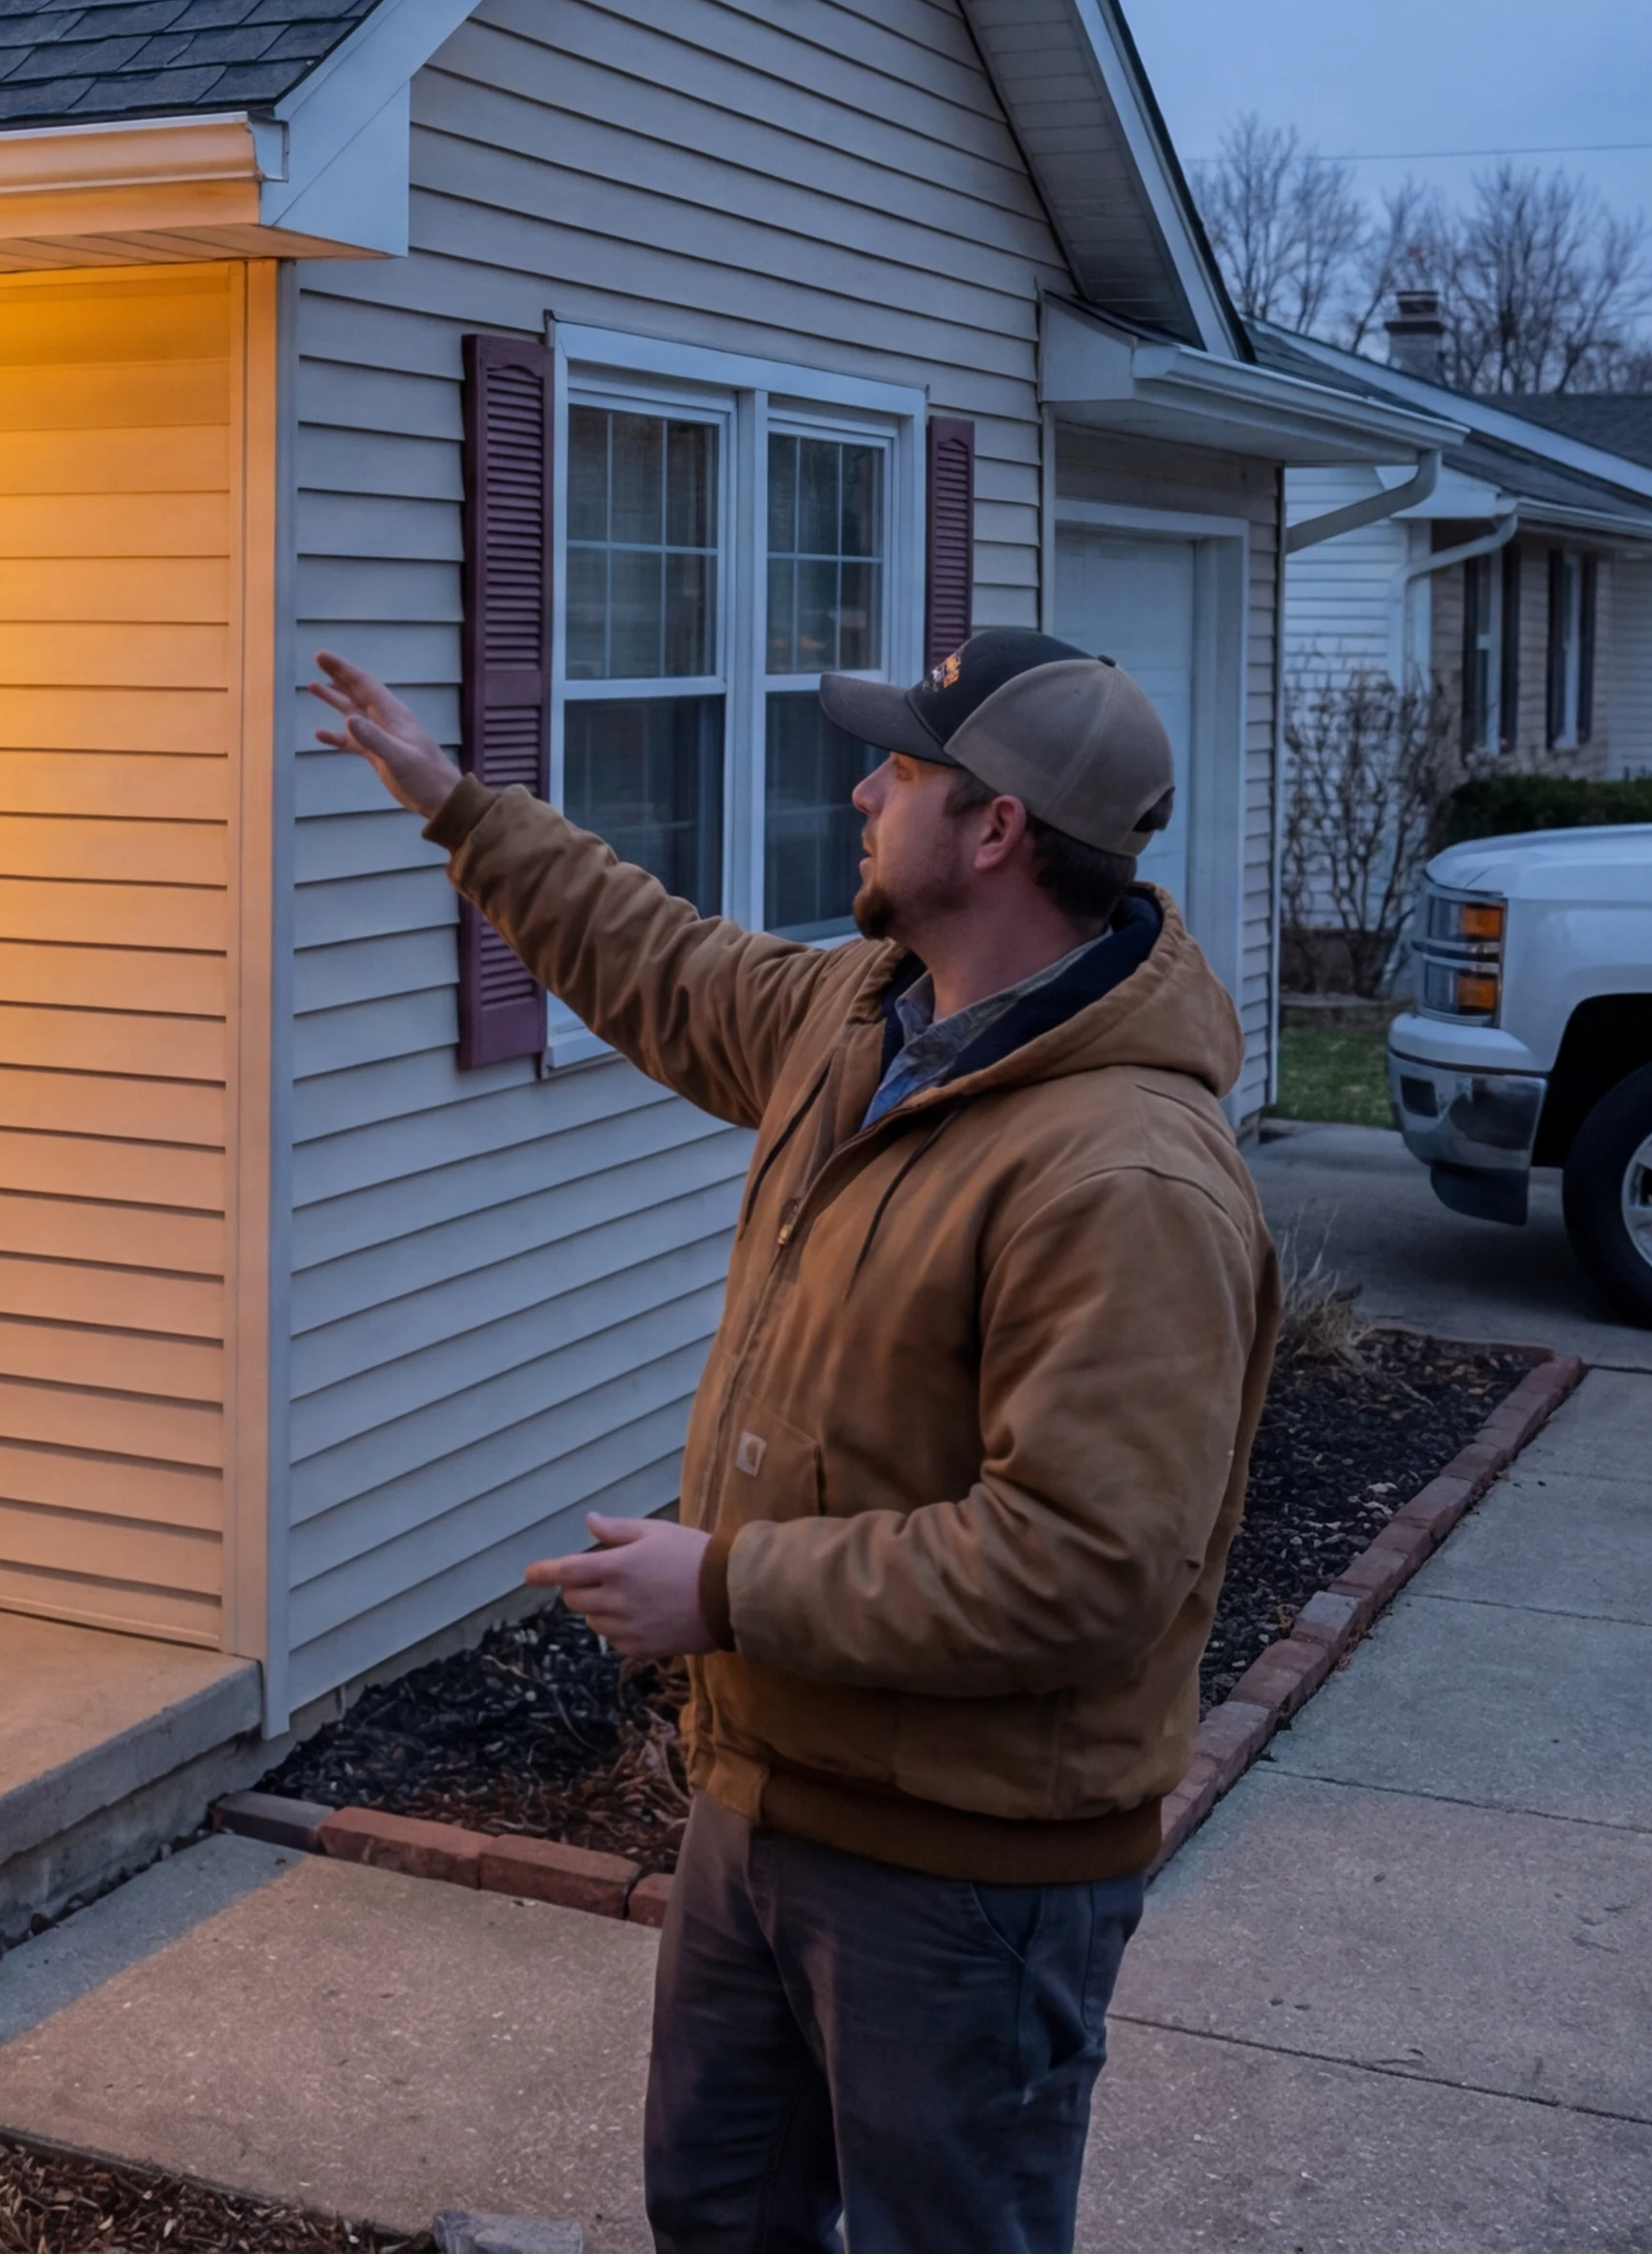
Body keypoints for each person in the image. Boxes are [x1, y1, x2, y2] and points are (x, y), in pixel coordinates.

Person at [312, 626, 1282, 2254]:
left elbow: (1084, 1567)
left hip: (969, 1880)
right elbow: (663, 961)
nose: (861, 792)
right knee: (719, 2214)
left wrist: (726, 1591)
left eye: (899, 768)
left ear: (995, 829)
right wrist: (459, 807)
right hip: (765, 1799)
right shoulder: (868, 1018)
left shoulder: (1125, 1179)